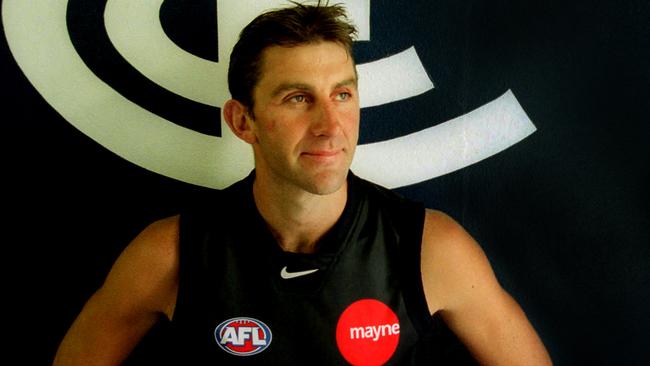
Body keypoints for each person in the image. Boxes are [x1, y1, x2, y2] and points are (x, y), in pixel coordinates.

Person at [53, 2, 552, 365]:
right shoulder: (171, 253)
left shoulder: (430, 248)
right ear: (242, 121)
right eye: (297, 98)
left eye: (342, 93)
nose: (329, 125)